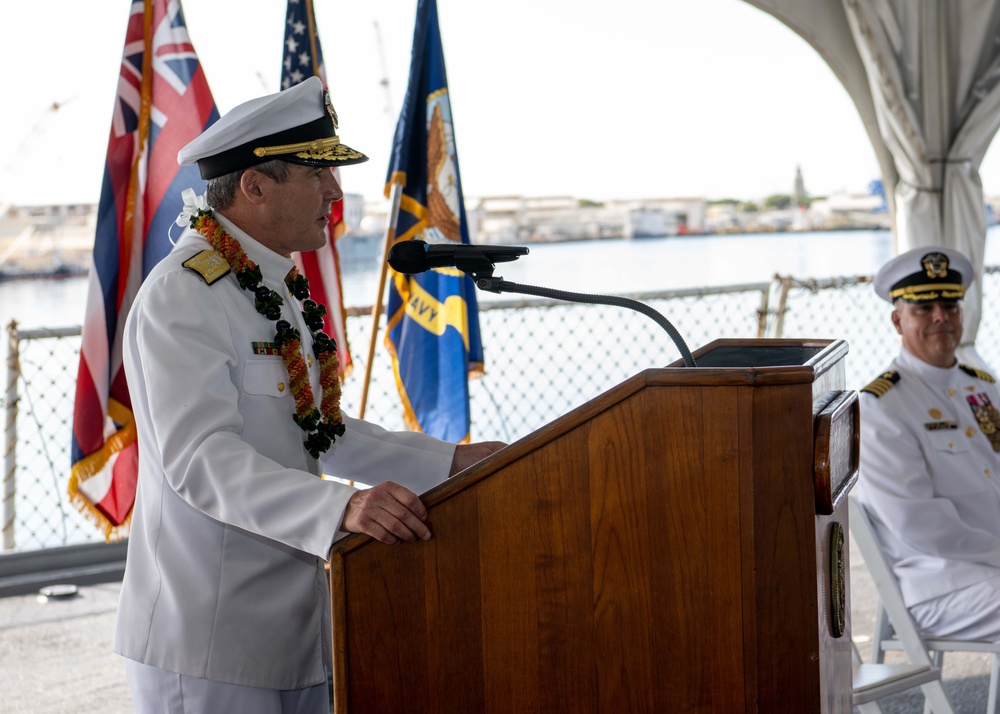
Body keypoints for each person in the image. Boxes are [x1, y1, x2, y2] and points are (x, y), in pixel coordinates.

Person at [114, 76, 505, 713]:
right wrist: (340, 510)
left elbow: (319, 431)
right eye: (317, 174)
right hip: (208, 637)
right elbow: (201, 459)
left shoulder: (275, 282)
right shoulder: (183, 292)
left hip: (295, 630)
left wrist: (452, 462)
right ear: (254, 184)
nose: (335, 193)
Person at [856, 245, 1000, 642]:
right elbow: (921, 527)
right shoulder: (881, 408)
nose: (941, 317)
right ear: (897, 321)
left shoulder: (983, 388)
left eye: (951, 305)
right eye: (924, 308)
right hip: (942, 585)